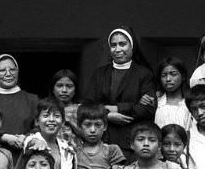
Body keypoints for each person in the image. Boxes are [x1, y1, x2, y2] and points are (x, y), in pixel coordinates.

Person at [85, 26, 155, 160]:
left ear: (132, 46)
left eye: (122, 44)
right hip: (103, 142)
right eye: (113, 45)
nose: (117, 49)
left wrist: (117, 108)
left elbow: (147, 110)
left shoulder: (144, 74)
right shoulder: (99, 74)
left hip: (131, 144)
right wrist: (108, 115)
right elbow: (87, 107)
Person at [22, 97, 76, 169]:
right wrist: (38, 142)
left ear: (63, 122)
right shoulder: (32, 139)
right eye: (46, 115)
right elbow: (31, 141)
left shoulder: (66, 147)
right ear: (37, 121)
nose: (51, 120)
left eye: (56, 116)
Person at [71, 101, 126, 169]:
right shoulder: (74, 151)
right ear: (79, 126)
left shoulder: (112, 150)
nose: (93, 130)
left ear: (105, 126)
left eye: (98, 125)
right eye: (88, 125)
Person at [0, 54, 38, 137]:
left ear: (18, 72)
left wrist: (26, 138)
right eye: (2, 70)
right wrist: (3, 137)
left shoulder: (32, 100)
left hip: (26, 147)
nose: (8, 74)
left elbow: (39, 128)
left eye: (12, 69)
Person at [154, 56, 194, 131]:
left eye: (173, 74)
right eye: (164, 75)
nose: (168, 79)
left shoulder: (191, 102)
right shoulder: (156, 101)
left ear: (183, 77)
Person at [50, 69, 81, 140]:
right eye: (59, 86)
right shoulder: (45, 109)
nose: (64, 90)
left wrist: (70, 120)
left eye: (69, 86)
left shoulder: (82, 109)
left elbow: (90, 134)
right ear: (53, 89)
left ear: (75, 90)